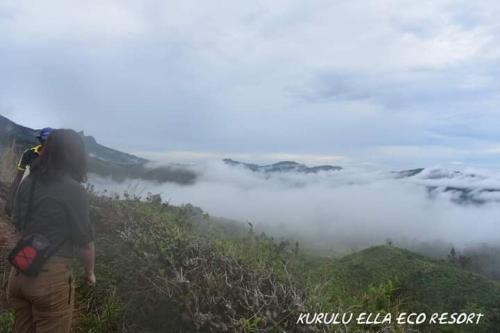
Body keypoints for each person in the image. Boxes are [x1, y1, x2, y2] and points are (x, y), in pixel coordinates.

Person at [6, 129, 96, 333]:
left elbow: (17, 223)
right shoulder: (74, 190)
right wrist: (89, 273)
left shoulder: (29, 181)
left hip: (19, 272)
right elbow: (85, 243)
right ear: (76, 156)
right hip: (50, 280)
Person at [4, 127, 53, 217]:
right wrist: (10, 200)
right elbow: (18, 177)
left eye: (50, 142)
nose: (47, 144)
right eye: (44, 141)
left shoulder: (57, 158)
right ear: (40, 140)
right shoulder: (29, 153)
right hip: (28, 192)